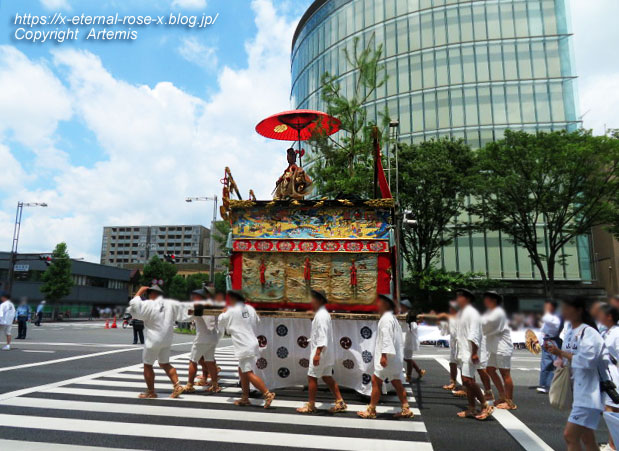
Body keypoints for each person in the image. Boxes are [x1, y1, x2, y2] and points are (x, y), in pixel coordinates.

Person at [546, 297, 608, 451]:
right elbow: (568, 359)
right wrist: (558, 354)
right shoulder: (569, 332)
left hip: (588, 394)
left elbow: (588, 361)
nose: (564, 312)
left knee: (570, 435)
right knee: (587, 438)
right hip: (578, 392)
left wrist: (561, 353)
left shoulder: (589, 333)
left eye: (568, 309)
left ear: (579, 311)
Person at [358, 294, 413, 419]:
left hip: (387, 358)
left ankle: (371, 409)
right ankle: (405, 408)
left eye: (379, 302)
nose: (377, 304)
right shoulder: (391, 318)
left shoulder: (386, 319)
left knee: (376, 381)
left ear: (385, 304)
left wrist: (384, 356)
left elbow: (387, 339)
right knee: (396, 382)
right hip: (394, 359)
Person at [218, 290, 275, 408]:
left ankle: (267, 393)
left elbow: (221, 321)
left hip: (243, 345)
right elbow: (257, 322)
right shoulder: (250, 308)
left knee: (248, 372)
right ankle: (245, 397)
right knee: (242, 370)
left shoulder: (231, 311)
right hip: (251, 342)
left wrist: (223, 312)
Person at [128, 285, 186, 399]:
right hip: (167, 339)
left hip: (153, 339)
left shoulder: (148, 304)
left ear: (152, 294)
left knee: (148, 365)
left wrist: (139, 292)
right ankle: (177, 385)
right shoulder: (170, 305)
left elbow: (134, 308)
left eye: (148, 294)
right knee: (165, 363)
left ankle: (151, 391)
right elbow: (185, 314)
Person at [297, 290, 347, 414]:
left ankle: (311, 405)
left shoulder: (322, 316)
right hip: (325, 351)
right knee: (326, 377)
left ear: (319, 300)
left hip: (321, 351)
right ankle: (340, 401)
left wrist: (317, 354)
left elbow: (322, 336)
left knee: (312, 377)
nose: (311, 301)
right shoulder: (321, 314)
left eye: (313, 299)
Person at [454, 288, 493, 421]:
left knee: (467, 380)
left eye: (460, 297)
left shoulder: (472, 314)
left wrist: (474, 352)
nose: (458, 299)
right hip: (464, 351)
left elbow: (474, 334)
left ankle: (484, 405)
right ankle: (471, 407)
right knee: (468, 380)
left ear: (467, 299)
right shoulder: (462, 313)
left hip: (470, 352)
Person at [481, 291, 516, 410]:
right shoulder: (490, 313)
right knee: (490, 370)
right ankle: (502, 395)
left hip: (502, 347)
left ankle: (509, 401)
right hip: (493, 347)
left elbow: (486, 327)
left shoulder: (498, 313)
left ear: (494, 300)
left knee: (505, 373)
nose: (485, 301)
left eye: (487, 298)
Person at [184, 288, 221, 394]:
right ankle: (215, 385)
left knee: (193, 361)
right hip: (213, 337)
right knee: (210, 361)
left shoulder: (196, 305)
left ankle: (189, 385)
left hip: (201, 338)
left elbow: (187, 317)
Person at [596, 304, 619, 451]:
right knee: (611, 408)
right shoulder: (607, 332)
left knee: (611, 408)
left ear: (609, 316)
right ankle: (613, 442)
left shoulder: (617, 333)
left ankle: (613, 444)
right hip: (607, 375)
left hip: (614, 377)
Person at [538, 299, 563, 394]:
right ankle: (544, 384)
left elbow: (546, 319)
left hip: (553, 341)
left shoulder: (556, 318)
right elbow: (542, 329)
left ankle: (556, 385)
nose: (545, 308)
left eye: (548, 306)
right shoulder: (551, 317)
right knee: (545, 364)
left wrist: (547, 310)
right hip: (547, 341)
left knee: (557, 364)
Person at [399, 299, 426, 381]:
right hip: (405, 338)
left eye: (402, 306)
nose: (401, 307)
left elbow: (413, 327)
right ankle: (419, 371)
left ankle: (409, 375)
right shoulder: (403, 314)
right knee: (406, 358)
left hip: (409, 338)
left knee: (408, 358)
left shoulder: (410, 315)